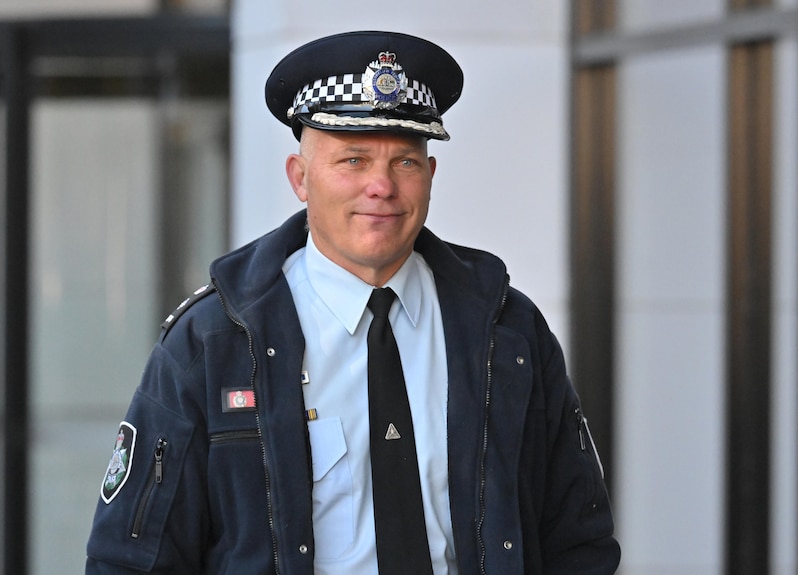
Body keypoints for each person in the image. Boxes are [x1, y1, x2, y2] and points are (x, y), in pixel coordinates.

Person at [85, 30, 620, 574]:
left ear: (430, 177)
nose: (382, 187)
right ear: (300, 178)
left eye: (405, 163)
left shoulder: (508, 330)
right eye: (354, 160)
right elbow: (130, 561)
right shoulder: (214, 342)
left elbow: (581, 541)